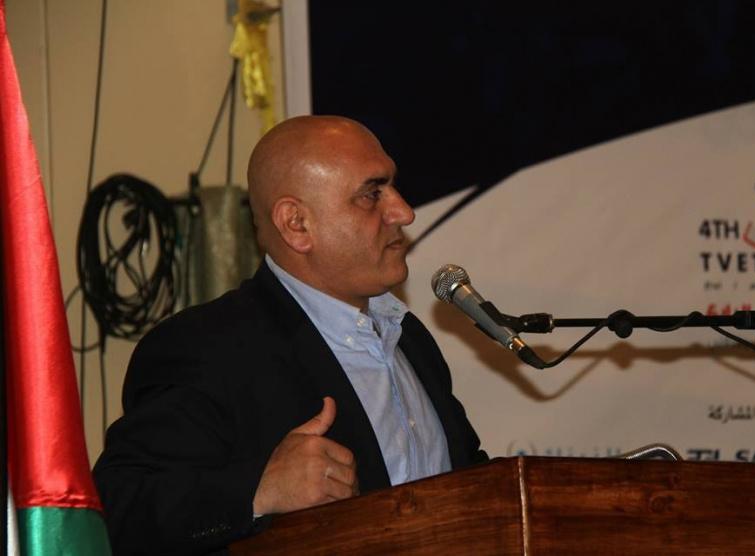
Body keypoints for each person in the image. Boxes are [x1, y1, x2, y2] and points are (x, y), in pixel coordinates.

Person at [93, 115, 488, 555]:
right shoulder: (205, 347)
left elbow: (470, 484)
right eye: (371, 194)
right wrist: (258, 491)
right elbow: (119, 510)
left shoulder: (408, 338)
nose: (404, 212)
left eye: (393, 187)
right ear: (296, 224)